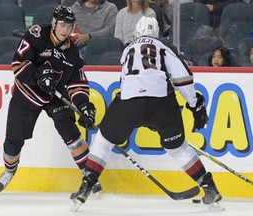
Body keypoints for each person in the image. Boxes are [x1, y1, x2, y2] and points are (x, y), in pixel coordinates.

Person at [70, 16, 222, 209]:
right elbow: (183, 78)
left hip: (130, 103)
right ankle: (209, 187)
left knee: (104, 140)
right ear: (156, 34)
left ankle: (86, 186)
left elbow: (127, 84)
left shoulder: (127, 50)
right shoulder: (164, 46)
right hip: (162, 105)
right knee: (177, 147)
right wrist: (195, 105)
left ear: (137, 33)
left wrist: (140, 114)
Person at [0, 5, 102, 195]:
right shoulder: (37, 35)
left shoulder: (73, 54)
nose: (65, 30)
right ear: (53, 24)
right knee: (13, 140)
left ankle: (88, 174)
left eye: (69, 26)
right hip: (27, 93)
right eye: (62, 25)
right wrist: (38, 77)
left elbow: (78, 85)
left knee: (71, 133)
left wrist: (84, 106)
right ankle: (10, 170)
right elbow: (18, 63)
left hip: (55, 95)